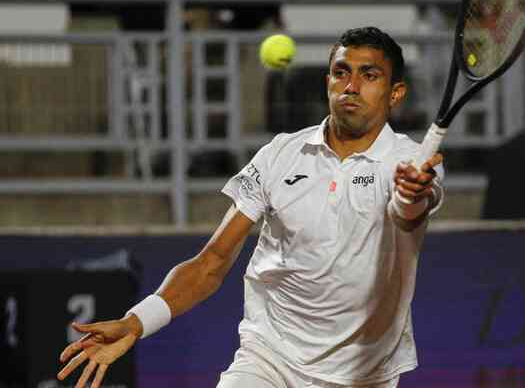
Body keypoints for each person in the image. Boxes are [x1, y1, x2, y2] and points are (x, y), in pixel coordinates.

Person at [57, 26, 444, 388]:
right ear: (327, 80)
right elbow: (212, 263)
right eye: (341, 72)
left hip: (365, 372)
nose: (351, 86)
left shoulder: (410, 163)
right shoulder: (279, 154)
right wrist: (136, 321)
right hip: (269, 360)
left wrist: (411, 193)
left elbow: (407, 211)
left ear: (395, 93)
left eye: (369, 75)